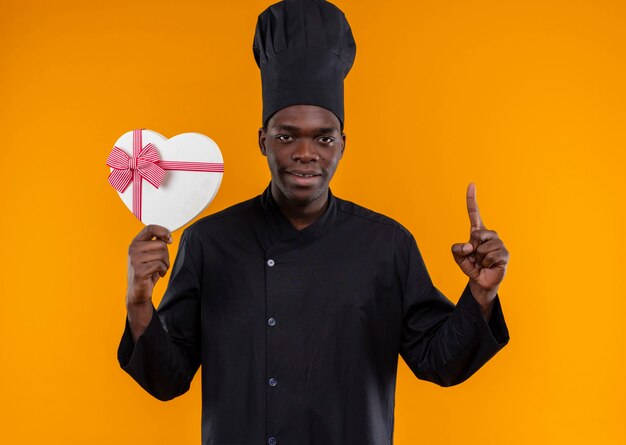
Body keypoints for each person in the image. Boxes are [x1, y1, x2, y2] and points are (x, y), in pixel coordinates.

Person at [117, 1, 510, 444]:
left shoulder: (387, 245)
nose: (306, 154)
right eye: (287, 136)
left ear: (342, 143)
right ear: (263, 140)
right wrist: (138, 304)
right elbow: (167, 380)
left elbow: (439, 361)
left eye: (323, 138)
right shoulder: (210, 242)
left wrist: (481, 293)